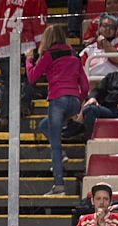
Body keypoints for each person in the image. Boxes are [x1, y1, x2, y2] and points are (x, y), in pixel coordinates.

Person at [27, 24, 87, 196]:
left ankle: (59, 186)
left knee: (54, 144)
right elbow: (85, 84)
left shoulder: (48, 55)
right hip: (74, 100)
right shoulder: (74, 55)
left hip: (57, 100)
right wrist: (79, 103)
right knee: (44, 125)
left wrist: (29, 60)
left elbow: (32, 77)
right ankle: (61, 155)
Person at [0, 0, 46, 130]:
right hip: (26, 42)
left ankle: (4, 116)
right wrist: (41, 47)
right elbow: (39, 23)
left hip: (4, 43)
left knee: (6, 82)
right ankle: (23, 104)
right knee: (30, 75)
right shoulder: (37, 1)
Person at [79, 12, 118, 78]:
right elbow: (79, 69)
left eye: (111, 27)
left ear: (116, 30)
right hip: (92, 82)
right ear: (99, 28)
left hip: (114, 81)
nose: (107, 29)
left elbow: (117, 60)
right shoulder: (89, 49)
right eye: (105, 26)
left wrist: (103, 41)